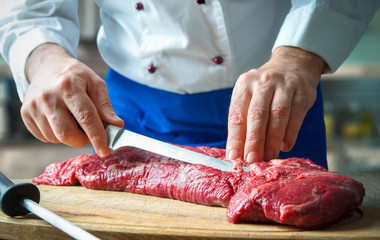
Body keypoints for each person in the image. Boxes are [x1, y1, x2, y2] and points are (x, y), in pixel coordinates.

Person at [0, 1, 379, 169]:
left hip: (272, 104)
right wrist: (44, 58)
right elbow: (29, 7)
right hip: (128, 117)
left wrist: (298, 58)